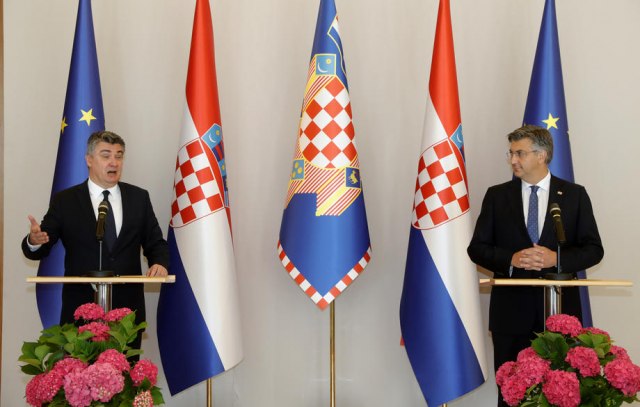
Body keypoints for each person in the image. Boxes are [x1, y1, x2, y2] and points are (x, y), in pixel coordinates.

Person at [467, 125, 603, 407]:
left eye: (520, 153)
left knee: (561, 395)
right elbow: (477, 248)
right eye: (511, 153)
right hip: (510, 315)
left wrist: (557, 259)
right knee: (511, 396)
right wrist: (511, 259)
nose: (513, 160)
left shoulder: (574, 195)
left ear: (542, 155)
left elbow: (593, 249)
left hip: (560, 315)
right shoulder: (497, 196)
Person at [22, 130, 169, 343]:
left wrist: (160, 263)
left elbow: (155, 243)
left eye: (119, 156)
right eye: (106, 155)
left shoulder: (139, 198)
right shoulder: (66, 200)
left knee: (125, 367)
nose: (114, 162)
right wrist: (34, 241)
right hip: (80, 313)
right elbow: (41, 247)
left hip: (126, 317)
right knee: (79, 367)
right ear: (89, 160)